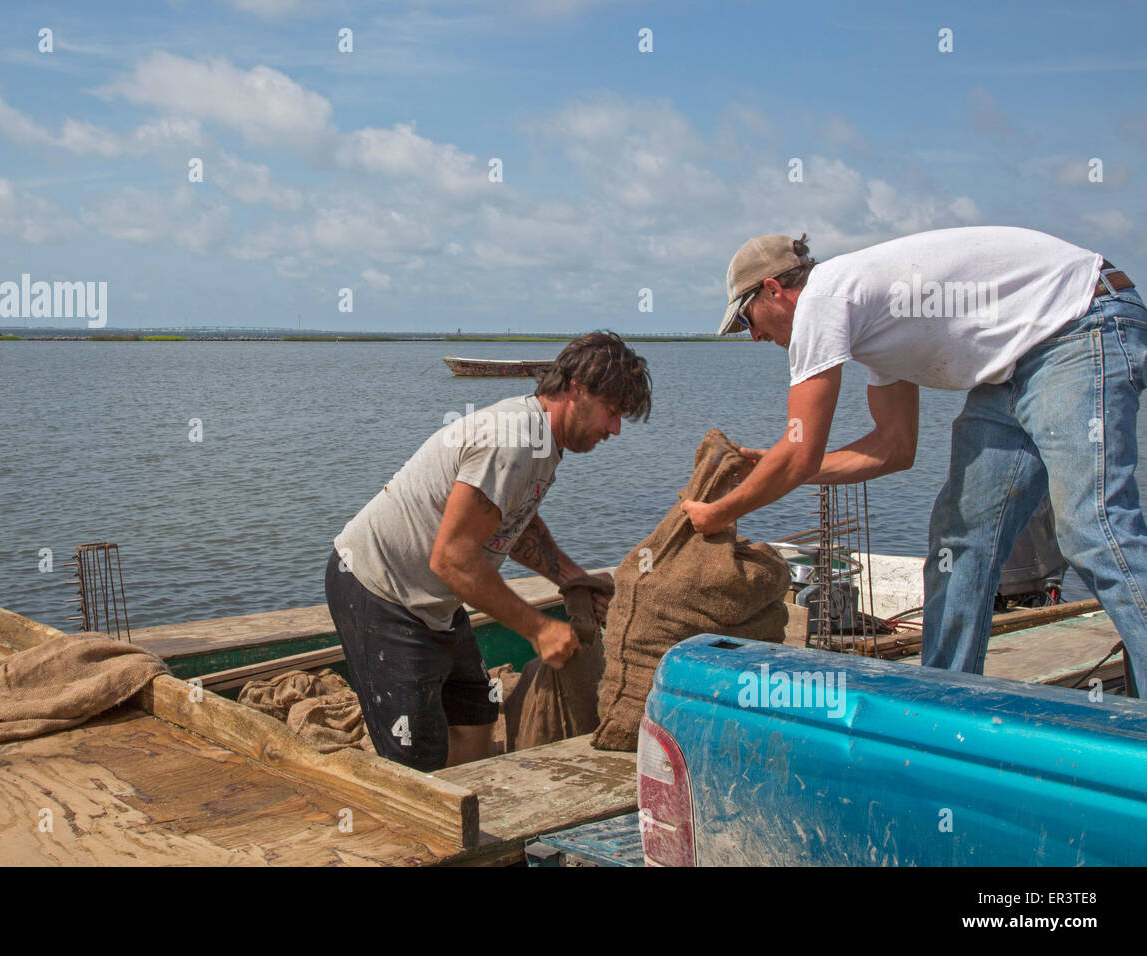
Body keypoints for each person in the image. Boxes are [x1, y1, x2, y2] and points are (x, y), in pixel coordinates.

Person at [681, 226, 1144, 696]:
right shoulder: (877, 328)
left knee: (1095, 530)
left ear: (774, 290)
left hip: (1081, 322)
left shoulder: (823, 298)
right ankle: (942, 702)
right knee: (961, 540)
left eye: (747, 320)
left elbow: (799, 452)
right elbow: (893, 448)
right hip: (1016, 362)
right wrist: (773, 472)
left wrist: (719, 512)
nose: (754, 336)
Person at [326, 331, 653, 771]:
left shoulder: (544, 442)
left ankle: (477, 814)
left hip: (434, 600)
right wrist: (538, 629)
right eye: (612, 412)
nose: (614, 429)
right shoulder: (514, 439)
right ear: (576, 389)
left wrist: (572, 577)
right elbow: (453, 558)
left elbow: (510, 523)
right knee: (415, 758)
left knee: (476, 715)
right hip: (379, 589)